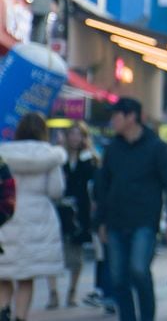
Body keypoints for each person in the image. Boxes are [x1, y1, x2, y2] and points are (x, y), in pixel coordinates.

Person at [95, 97, 167, 321]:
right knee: (118, 278)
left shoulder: (156, 147)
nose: (113, 120)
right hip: (115, 221)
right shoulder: (113, 148)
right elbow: (102, 186)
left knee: (139, 270)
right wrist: (100, 221)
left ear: (131, 117)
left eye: (116, 115)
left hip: (145, 221)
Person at [0, 113, 67, 321]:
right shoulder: (51, 156)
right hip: (38, 221)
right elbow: (56, 190)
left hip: (6, 216)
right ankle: (20, 317)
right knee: (26, 276)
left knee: (4, 273)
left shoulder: (4, 154)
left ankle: (3, 310)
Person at [45, 122, 98, 308]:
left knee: (76, 254)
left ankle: (72, 291)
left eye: (79, 134)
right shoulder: (58, 157)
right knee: (52, 252)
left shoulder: (89, 159)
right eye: (72, 134)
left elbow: (95, 183)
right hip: (58, 208)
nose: (75, 138)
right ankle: (53, 293)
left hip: (80, 211)